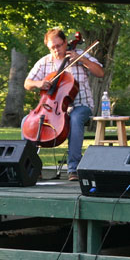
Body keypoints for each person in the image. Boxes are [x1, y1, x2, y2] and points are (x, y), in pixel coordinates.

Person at [24, 28, 104, 181]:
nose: (56, 50)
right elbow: (27, 83)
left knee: (75, 119)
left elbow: (100, 73)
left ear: (66, 42)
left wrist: (82, 60)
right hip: (51, 108)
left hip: (81, 104)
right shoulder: (44, 61)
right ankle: (31, 166)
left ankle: (73, 168)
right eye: (52, 47)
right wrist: (39, 83)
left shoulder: (79, 55)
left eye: (59, 46)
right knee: (26, 123)